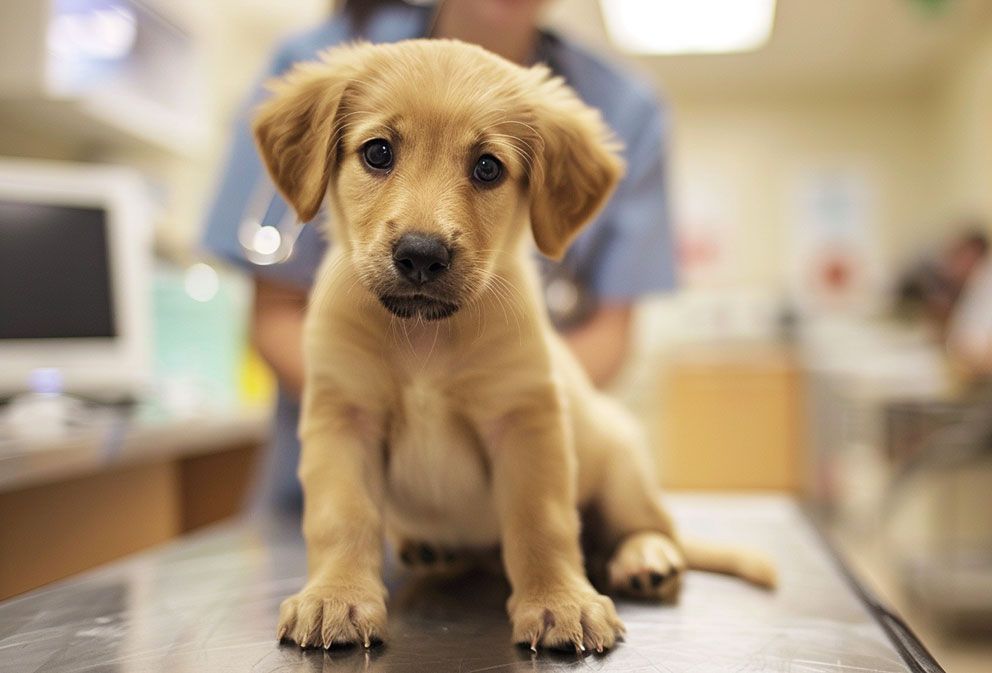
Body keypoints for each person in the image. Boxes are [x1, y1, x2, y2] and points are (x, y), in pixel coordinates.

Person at [201, 0, 676, 511]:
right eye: (378, 154)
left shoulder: (622, 107)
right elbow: (274, 316)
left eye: (488, 169)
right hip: (335, 492)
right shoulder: (322, 61)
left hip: (502, 498)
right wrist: (381, 418)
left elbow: (610, 335)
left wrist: (497, 419)